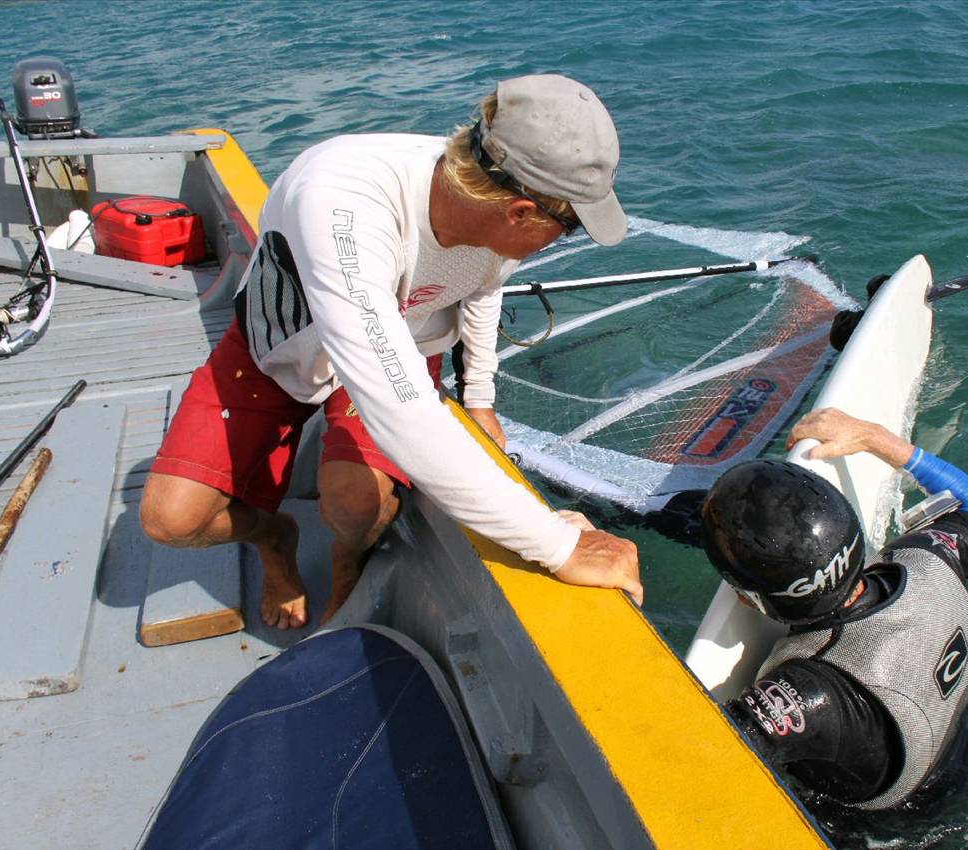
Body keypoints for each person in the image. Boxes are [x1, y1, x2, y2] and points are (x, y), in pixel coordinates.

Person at [140, 74, 643, 629]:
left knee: (354, 506)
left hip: (400, 344)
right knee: (171, 520)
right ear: (520, 213)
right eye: (568, 228)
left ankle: (346, 561)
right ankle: (272, 539)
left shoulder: (488, 189)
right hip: (278, 349)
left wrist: (479, 396)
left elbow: (482, 283)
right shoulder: (341, 204)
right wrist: (559, 545)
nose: (562, 239)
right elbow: (403, 412)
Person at [702, 407, 968, 810]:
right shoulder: (925, 558)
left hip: (883, 831)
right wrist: (874, 436)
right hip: (954, 763)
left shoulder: (809, 693)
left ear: (750, 599)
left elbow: (696, 761)